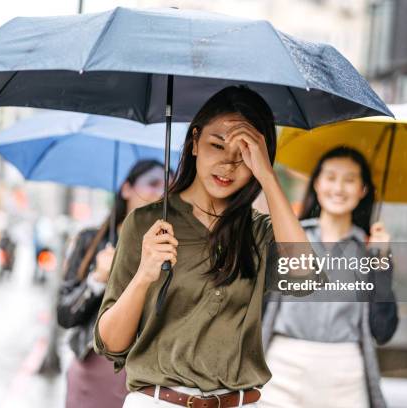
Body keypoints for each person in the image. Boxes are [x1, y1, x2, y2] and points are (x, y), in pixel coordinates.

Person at [93, 86, 324, 408]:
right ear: (194, 142)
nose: (228, 166)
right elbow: (111, 344)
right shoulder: (147, 223)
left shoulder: (260, 232)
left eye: (243, 156)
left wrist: (268, 178)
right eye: (217, 145)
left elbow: (306, 280)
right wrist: (144, 274)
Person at [259, 146, 399, 408]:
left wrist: (381, 263)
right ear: (317, 184)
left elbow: (383, 330)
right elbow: (258, 308)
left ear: (363, 190)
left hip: (343, 374)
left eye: (350, 180)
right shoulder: (288, 237)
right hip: (282, 366)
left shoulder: (370, 251)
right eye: (331, 177)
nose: (339, 188)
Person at [57, 159, 167, 408]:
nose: (160, 193)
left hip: (149, 378)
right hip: (94, 370)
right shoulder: (90, 241)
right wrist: (97, 279)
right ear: (126, 188)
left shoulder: (168, 247)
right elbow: (64, 315)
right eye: (152, 184)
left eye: (167, 187)